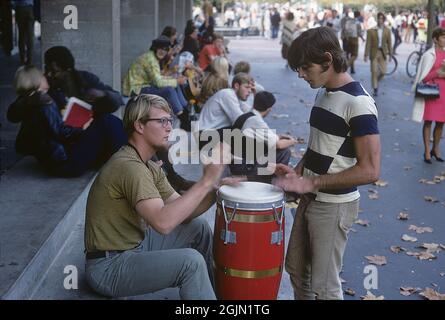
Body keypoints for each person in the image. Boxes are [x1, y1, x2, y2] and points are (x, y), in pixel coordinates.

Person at [84, 94, 231, 299]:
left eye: (169, 120)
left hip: (135, 246)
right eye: (161, 121)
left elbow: (181, 212)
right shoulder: (129, 167)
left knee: (198, 227)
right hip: (108, 267)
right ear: (139, 126)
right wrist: (205, 181)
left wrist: (214, 190)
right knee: (191, 263)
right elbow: (163, 223)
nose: (169, 127)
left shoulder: (147, 164)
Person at [274, 27, 381, 300]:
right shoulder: (323, 92)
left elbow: (370, 170)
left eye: (305, 67)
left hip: (334, 208)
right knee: (297, 270)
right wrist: (297, 172)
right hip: (310, 198)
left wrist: (313, 181)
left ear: (327, 60)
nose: (300, 74)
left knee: (325, 287)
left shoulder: (359, 103)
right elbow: (320, 146)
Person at [7, 65, 127, 177]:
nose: (47, 76)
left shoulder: (31, 100)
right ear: (36, 80)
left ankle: (126, 160)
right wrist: (84, 127)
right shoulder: (44, 102)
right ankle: (127, 162)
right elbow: (62, 132)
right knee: (107, 121)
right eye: (43, 75)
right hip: (64, 163)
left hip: (55, 160)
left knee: (107, 123)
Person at [230, 91, 297, 182]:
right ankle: (268, 182)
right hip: (242, 167)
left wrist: (279, 136)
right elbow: (278, 145)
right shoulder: (256, 121)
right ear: (269, 109)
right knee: (284, 152)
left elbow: (267, 136)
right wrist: (293, 141)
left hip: (235, 161)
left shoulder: (245, 116)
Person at [44, 46, 123, 117]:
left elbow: (118, 100)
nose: (48, 74)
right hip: (62, 130)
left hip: (89, 126)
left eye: (54, 71)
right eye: (47, 69)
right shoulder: (44, 85)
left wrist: (102, 94)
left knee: (110, 120)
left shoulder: (86, 78)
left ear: (68, 70)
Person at [122, 36, 188, 118]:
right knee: (169, 90)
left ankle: (185, 109)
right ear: (155, 48)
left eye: (165, 49)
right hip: (135, 89)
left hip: (144, 86)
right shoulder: (150, 59)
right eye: (160, 49)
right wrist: (176, 81)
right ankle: (182, 116)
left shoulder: (152, 57)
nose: (163, 52)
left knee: (174, 84)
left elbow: (158, 77)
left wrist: (175, 81)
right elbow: (158, 82)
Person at [411, 27, 445, 163]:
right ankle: (426, 151)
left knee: (441, 123)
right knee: (428, 122)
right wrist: (439, 72)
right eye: (443, 37)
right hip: (431, 92)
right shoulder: (428, 55)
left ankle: (436, 149)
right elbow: (423, 78)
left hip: (444, 93)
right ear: (435, 39)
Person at [364, 12, 392, 97]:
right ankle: (375, 88)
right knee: (374, 71)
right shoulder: (371, 30)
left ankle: (375, 80)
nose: (380, 20)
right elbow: (368, 43)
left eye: (382, 19)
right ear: (377, 19)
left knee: (383, 72)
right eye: (379, 18)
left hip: (383, 53)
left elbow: (389, 43)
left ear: (384, 20)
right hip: (374, 53)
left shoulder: (387, 30)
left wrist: (390, 54)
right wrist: (366, 54)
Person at [12, 0, 35, 65]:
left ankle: (22, 59)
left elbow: (13, 2)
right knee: (30, 37)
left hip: (20, 8)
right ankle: (29, 60)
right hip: (29, 8)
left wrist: (15, 6)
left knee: (22, 36)